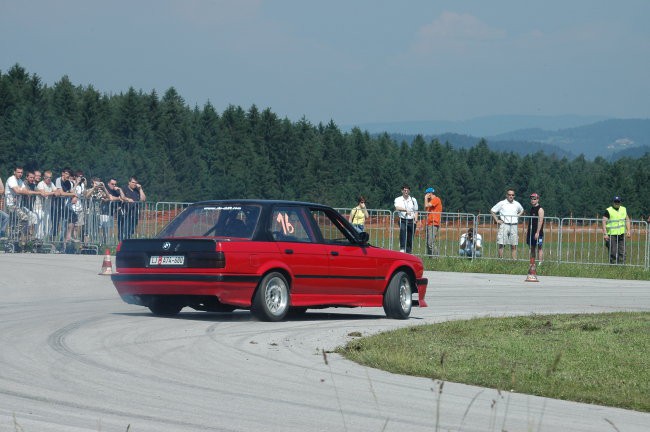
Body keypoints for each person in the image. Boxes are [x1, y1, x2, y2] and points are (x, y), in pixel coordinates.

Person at [490, 188, 524, 259]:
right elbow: (492, 211)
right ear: (506, 195)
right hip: (504, 225)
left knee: (514, 245)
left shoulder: (517, 203)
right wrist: (497, 220)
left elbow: (522, 210)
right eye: (509, 195)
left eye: (512, 195)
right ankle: (500, 260)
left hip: (514, 225)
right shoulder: (502, 203)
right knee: (501, 244)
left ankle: (514, 261)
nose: (511, 196)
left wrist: (517, 216)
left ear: (514, 196)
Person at [602, 195, 631, 264]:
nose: (617, 203)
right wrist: (605, 234)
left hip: (621, 234)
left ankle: (621, 266)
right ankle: (613, 266)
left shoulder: (624, 209)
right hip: (611, 234)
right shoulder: (608, 210)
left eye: (618, 202)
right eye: (615, 202)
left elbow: (627, 220)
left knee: (622, 252)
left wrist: (628, 230)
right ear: (613, 202)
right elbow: (603, 222)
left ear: (620, 202)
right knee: (613, 251)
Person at [119, 176, 146, 240]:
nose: (134, 184)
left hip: (135, 214)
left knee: (131, 231)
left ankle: (127, 242)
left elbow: (143, 199)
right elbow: (122, 197)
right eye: (133, 182)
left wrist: (140, 189)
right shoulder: (124, 188)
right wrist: (127, 199)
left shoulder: (137, 190)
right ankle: (124, 243)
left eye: (135, 183)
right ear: (129, 182)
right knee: (125, 231)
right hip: (126, 213)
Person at [394, 184, 418, 253]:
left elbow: (416, 210)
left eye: (407, 190)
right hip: (403, 219)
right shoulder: (398, 199)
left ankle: (409, 251)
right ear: (402, 191)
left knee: (410, 236)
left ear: (409, 191)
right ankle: (402, 248)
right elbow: (397, 207)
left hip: (411, 220)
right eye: (405, 190)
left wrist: (415, 220)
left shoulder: (413, 200)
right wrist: (405, 210)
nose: (406, 191)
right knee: (402, 231)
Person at [35, 170, 57, 240]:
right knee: (39, 227)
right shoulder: (40, 184)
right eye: (47, 177)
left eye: (50, 177)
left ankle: (42, 242)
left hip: (47, 208)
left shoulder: (51, 184)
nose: (49, 179)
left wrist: (53, 192)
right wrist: (52, 193)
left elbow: (57, 191)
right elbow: (43, 194)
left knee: (48, 227)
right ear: (44, 177)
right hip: (39, 207)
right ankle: (37, 242)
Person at [526, 192, 545, 265]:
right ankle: (532, 263)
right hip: (531, 232)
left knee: (539, 247)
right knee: (532, 247)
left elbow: (540, 221)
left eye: (534, 199)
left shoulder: (540, 209)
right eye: (531, 199)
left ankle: (540, 263)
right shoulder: (531, 208)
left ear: (538, 200)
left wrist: (537, 232)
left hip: (538, 233)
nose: (533, 200)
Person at [423, 187, 442, 255]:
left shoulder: (436, 199)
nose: (426, 196)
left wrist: (425, 199)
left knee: (430, 243)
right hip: (429, 223)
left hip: (434, 223)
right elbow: (426, 209)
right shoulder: (430, 201)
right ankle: (431, 257)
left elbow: (426, 205)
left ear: (430, 194)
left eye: (427, 194)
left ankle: (436, 256)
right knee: (428, 243)